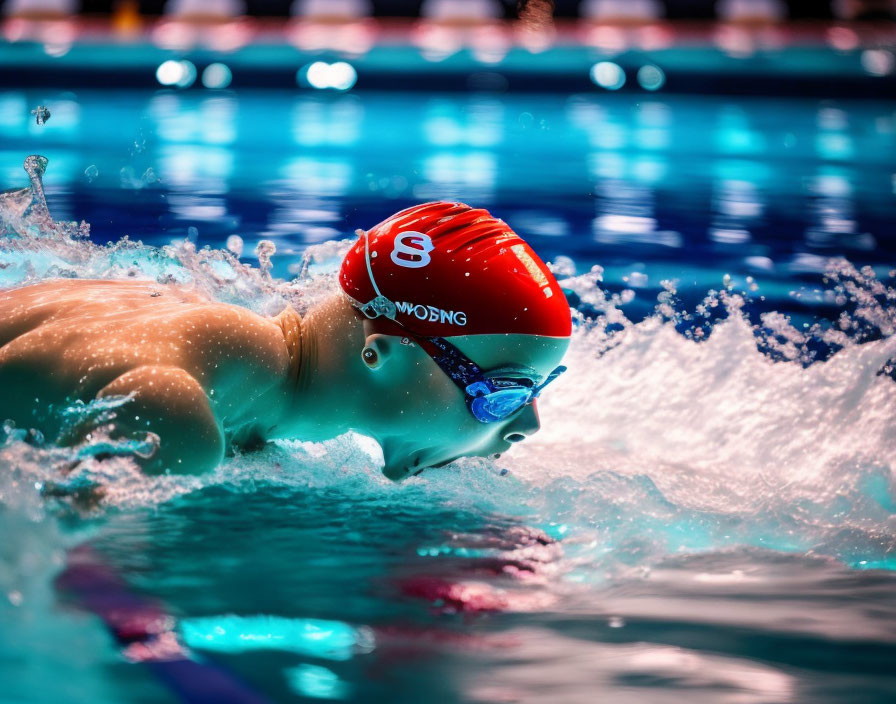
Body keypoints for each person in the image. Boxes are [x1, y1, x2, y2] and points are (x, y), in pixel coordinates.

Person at [0, 201, 571, 480]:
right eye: (505, 392)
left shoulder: (228, 359)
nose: (529, 425)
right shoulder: (171, 420)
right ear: (381, 353)